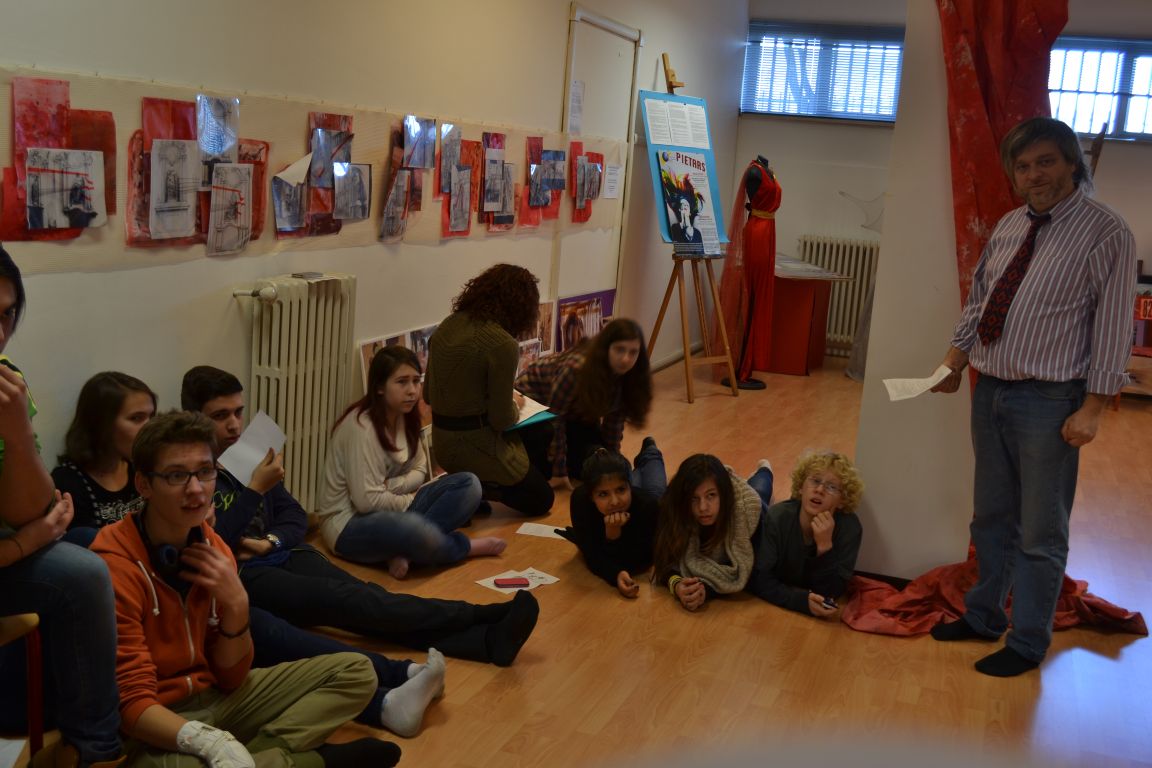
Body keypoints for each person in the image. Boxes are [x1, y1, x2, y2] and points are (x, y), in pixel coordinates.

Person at [929, 117, 1136, 677]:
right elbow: (981, 299)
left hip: (1051, 401)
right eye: (1022, 167)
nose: (1033, 175)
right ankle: (984, 616)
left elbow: (1114, 326)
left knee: (1041, 531)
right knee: (991, 519)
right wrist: (955, 359)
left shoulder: (1106, 232)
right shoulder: (1009, 224)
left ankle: (1026, 642)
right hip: (991, 391)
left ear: (1072, 164)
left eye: (1045, 162)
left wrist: (1094, 406)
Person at [92, 410, 402, 768]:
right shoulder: (113, 563)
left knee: (357, 671)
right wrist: (208, 742)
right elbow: (131, 706)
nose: (196, 489)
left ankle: (266, 758)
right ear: (144, 484)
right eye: (176, 475)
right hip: (155, 724)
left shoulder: (215, 548)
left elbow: (231, 677)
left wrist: (238, 604)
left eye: (205, 471)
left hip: (217, 698)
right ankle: (311, 761)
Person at [183, 365, 539, 671]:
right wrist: (255, 491)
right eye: (221, 416)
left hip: (283, 553)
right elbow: (215, 540)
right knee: (351, 602)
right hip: (246, 576)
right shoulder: (192, 478)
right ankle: (481, 616)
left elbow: (295, 516)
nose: (235, 425)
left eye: (238, 412)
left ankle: (485, 642)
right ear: (194, 419)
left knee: (367, 597)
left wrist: (272, 540)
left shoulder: (245, 454)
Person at [0, 245, 125, 768]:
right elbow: (33, 526)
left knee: (102, 550)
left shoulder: (6, 378)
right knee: (80, 570)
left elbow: (32, 508)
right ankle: (95, 744)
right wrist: (27, 541)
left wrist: (16, 432)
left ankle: (100, 737)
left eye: (7, 315)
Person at [320, 347, 505, 578]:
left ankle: (406, 552)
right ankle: (462, 547)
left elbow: (420, 470)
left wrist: (392, 485)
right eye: (402, 382)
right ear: (379, 387)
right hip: (348, 523)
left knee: (470, 485)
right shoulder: (362, 428)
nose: (412, 391)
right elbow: (367, 502)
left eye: (416, 381)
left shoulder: (404, 416)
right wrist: (409, 501)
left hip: (392, 506)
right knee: (414, 529)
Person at [424, 264, 555, 516]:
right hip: (475, 445)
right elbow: (502, 419)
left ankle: (476, 488)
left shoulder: (447, 326)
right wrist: (516, 403)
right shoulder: (502, 343)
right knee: (542, 500)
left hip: (442, 444)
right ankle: (485, 490)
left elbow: (428, 395)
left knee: (541, 430)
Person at [515, 317, 653, 485]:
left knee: (614, 466)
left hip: (575, 411)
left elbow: (614, 426)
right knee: (556, 466)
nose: (626, 359)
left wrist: (612, 464)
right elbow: (555, 419)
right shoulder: (577, 369)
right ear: (606, 348)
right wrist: (559, 472)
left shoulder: (628, 375)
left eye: (633, 352)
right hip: (533, 404)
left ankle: (650, 454)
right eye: (620, 350)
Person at [746, 452, 863, 618]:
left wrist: (825, 548)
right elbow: (759, 579)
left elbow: (832, 591)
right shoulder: (778, 517)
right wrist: (799, 601)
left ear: (842, 500)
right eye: (815, 480)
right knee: (758, 495)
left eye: (831, 487)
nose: (820, 490)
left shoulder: (850, 528)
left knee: (760, 494)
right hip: (761, 512)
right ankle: (764, 471)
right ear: (801, 487)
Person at [652, 454, 771, 612]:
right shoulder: (673, 505)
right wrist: (677, 584)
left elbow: (749, 570)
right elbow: (663, 562)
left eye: (711, 495)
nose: (703, 507)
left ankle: (765, 470)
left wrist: (707, 590)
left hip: (750, 505)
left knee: (761, 491)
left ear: (724, 494)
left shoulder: (746, 510)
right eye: (694, 498)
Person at [53, 372, 156, 548]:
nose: (150, 428)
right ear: (101, 423)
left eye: (151, 417)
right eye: (136, 418)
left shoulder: (144, 467)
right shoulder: (68, 482)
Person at [558, 448, 661, 598]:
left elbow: (644, 560)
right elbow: (590, 553)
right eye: (603, 494)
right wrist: (615, 574)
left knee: (656, 490)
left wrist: (613, 536)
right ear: (591, 496)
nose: (614, 501)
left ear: (629, 486)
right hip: (634, 494)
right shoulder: (580, 500)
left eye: (621, 490)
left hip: (647, 499)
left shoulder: (648, 506)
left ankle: (650, 451)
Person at [716, 155, 781, 390]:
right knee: (753, 293)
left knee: (760, 292)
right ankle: (743, 366)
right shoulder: (755, 172)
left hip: (768, 230)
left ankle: (749, 363)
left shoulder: (767, 170)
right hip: (758, 232)